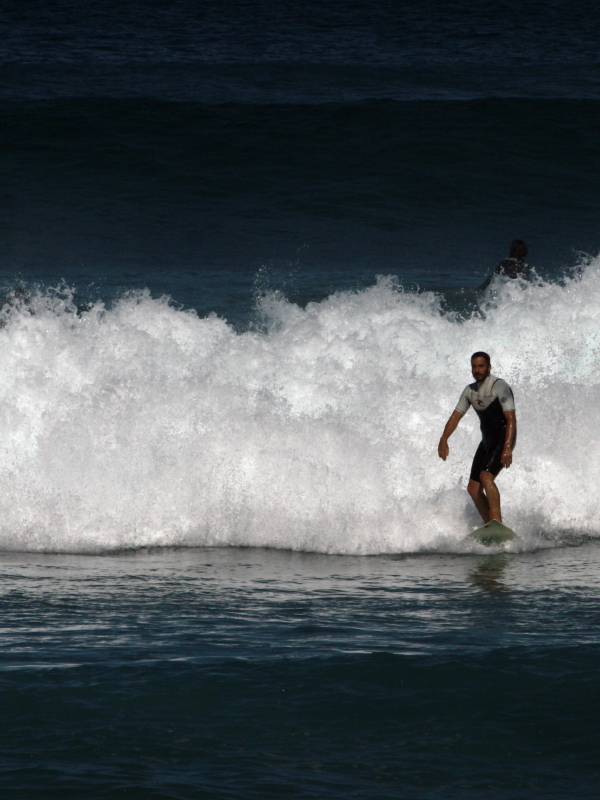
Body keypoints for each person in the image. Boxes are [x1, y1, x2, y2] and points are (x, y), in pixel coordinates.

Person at [438, 352, 516, 524]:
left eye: (481, 366)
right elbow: (455, 417)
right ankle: (490, 526)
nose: (477, 370)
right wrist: (444, 439)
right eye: (474, 366)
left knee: (486, 477)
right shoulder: (470, 391)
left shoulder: (499, 386)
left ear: (489, 367)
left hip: (503, 437)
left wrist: (507, 447)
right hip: (487, 440)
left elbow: (511, 419)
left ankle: (497, 522)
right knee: (473, 489)